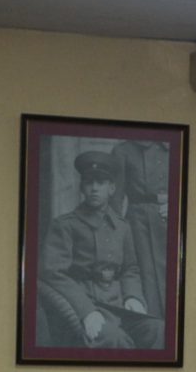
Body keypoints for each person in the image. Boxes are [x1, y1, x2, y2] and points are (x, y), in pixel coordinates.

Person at [36, 148, 152, 349]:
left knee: (156, 331)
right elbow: (52, 272)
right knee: (115, 341)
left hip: (119, 305)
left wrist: (133, 297)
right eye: (89, 182)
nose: (94, 188)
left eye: (101, 182)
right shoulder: (65, 225)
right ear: (82, 188)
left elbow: (130, 269)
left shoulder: (122, 227)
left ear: (112, 188)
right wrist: (86, 310)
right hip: (86, 302)